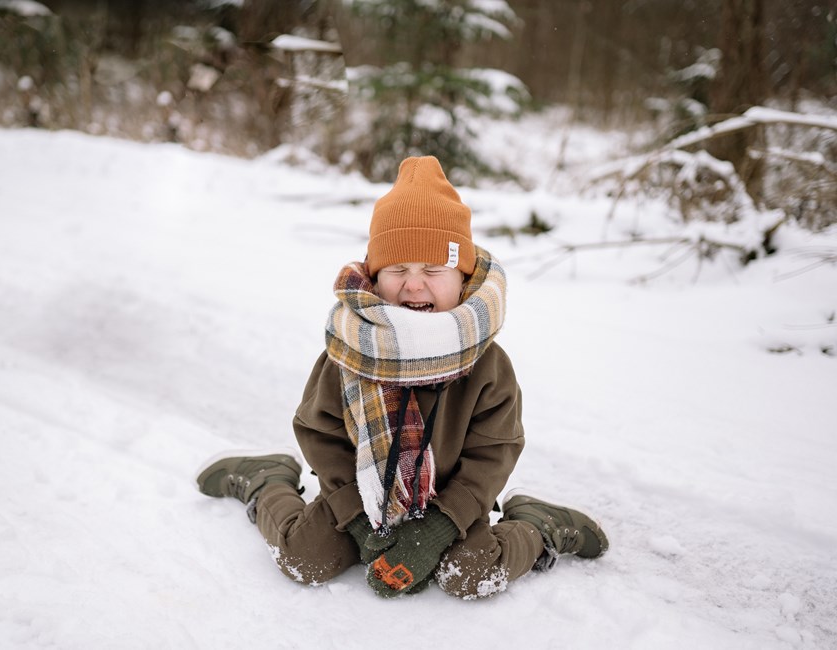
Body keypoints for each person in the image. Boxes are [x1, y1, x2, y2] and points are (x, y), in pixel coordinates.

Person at [196, 156, 608, 599]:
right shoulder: (351, 348)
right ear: (375, 278)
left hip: (451, 504)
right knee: (305, 558)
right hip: (361, 493)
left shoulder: (487, 363)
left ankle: (539, 526)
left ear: (462, 277)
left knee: (470, 575)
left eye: (432, 270)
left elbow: (495, 450)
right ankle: (266, 482)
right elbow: (320, 433)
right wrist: (356, 518)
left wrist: (441, 527)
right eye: (397, 270)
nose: (413, 286)